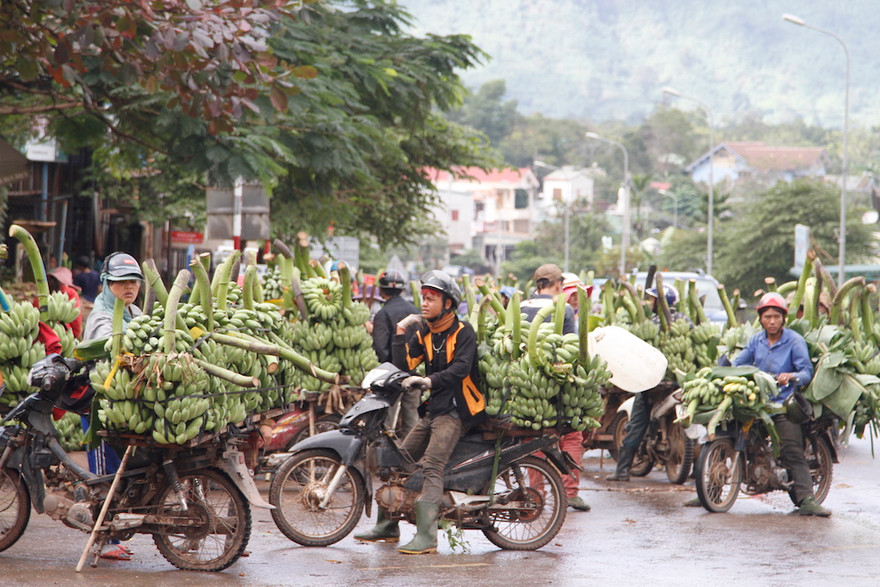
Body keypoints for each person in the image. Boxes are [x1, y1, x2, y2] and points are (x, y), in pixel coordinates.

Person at [355, 270, 486, 554]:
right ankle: (388, 526)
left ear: (448, 304)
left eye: (431, 299)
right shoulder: (425, 332)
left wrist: (428, 381)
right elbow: (406, 364)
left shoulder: (464, 332)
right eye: (423, 298)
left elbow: (461, 368)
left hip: (457, 411)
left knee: (432, 466)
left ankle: (427, 537)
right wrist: (402, 332)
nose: (424, 304)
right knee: (399, 457)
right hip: (434, 409)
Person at [731, 292, 830, 516]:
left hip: (784, 403)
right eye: (767, 317)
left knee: (792, 449)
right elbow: (740, 363)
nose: (772, 321)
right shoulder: (756, 340)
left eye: (776, 316)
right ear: (761, 319)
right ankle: (712, 489)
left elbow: (806, 371)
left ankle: (807, 499)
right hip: (758, 402)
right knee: (730, 430)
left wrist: (791, 376)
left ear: (784, 318)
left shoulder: (794, 340)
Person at [82, 252, 144, 559]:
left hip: (125, 405)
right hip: (101, 406)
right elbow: (109, 349)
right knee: (104, 476)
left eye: (133, 282)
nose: (128, 288)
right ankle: (102, 540)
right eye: (120, 283)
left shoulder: (134, 311)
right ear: (106, 283)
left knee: (121, 475)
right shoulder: (102, 317)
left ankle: (114, 535)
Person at [520, 263, 589, 511]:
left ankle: (536, 492)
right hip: (556, 386)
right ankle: (569, 493)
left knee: (531, 437)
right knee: (571, 434)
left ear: (537, 284)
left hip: (525, 385)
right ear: (559, 284)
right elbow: (569, 349)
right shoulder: (564, 309)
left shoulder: (519, 307)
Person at [607, 284, 690, 482]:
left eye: (653, 299)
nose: (649, 303)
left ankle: (622, 470)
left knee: (636, 423)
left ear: (661, 301)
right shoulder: (685, 320)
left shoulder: (652, 323)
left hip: (653, 382)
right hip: (677, 381)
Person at [371, 270, 420, 439]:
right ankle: (410, 456)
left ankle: (385, 458)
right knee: (412, 417)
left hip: (391, 377)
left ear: (382, 290)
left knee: (387, 421)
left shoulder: (382, 314)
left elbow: (380, 347)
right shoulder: (415, 310)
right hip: (414, 375)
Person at [42, 266, 83, 339]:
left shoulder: (42, 294)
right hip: (64, 336)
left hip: (43, 336)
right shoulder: (70, 293)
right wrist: (75, 336)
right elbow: (76, 321)